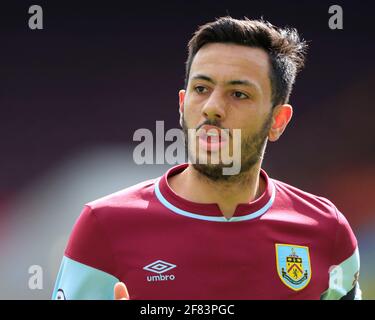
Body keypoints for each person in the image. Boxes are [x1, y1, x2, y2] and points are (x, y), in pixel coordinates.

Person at [52, 16, 361, 300]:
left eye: (239, 94)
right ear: (182, 104)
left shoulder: (326, 230)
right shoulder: (104, 226)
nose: (212, 107)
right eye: (201, 88)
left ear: (277, 121)